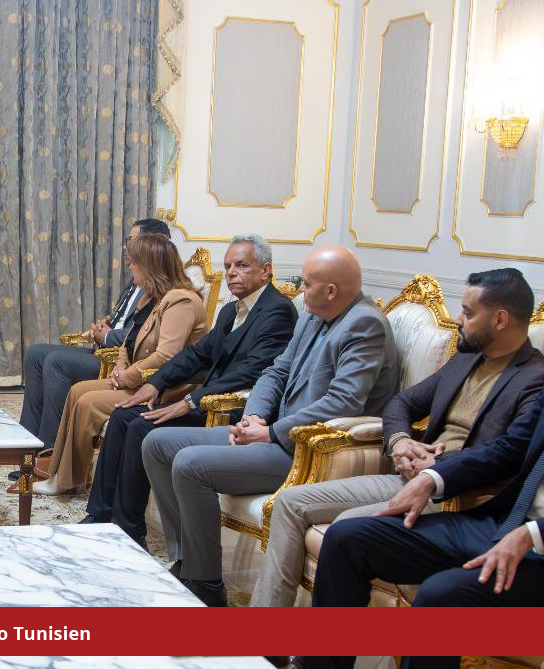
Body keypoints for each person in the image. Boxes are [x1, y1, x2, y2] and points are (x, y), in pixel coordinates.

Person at [252, 268, 544, 608]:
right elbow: (402, 403)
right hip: (408, 474)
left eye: (468, 312)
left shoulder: (534, 378)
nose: (458, 320)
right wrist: (401, 441)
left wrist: (437, 468)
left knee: (348, 528)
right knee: (290, 502)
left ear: (500, 320)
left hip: (456, 492)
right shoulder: (467, 358)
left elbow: (507, 454)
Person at [142, 245, 400, 606]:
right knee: (157, 443)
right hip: (270, 432)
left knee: (190, 464)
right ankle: (187, 559)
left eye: (305, 283)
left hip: (308, 452)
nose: (298, 288)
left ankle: (205, 584)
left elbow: (342, 403)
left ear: (331, 291)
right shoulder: (312, 315)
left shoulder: (365, 325)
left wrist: (270, 433)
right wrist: (255, 416)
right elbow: (275, 371)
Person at [83, 234, 298, 546]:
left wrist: (191, 399)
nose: (231, 273)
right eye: (228, 266)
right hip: (205, 400)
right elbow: (196, 355)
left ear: (265, 271)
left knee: (141, 426)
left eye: (241, 265)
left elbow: (252, 372)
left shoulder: (278, 311)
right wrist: (156, 382)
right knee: (123, 416)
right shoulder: (230, 311)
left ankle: (129, 531)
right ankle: (101, 515)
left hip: (234, 410)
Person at [309, 391, 544, 669]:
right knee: (347, 538)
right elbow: (509, 448)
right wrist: (432, 478)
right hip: (506, 525)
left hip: (534, 547)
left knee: (440, 595)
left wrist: (532, 534)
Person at [34, 233, 209, 495]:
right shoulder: (152, 297)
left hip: (166, 388)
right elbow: (128, 342)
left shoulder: (181, 301)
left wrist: (127, 377)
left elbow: (166, 356)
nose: (130, 266)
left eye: (134, 261)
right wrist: (119, 367)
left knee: (88, 403)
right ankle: (61, 473)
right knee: (77, 391)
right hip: (140, 379)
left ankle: (67, 481)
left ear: (149, 265)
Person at [19, 218, 171, 448]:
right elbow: (122, 320)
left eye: (131, 240)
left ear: (151, 244)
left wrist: (108, 336)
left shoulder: (159, 286)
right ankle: (27, 443)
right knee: (35, 353)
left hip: (118, 360)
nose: (126, 246)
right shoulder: (135, 281)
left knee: (56, 362)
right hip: (103, 350)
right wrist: (102, 327)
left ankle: (49, 450)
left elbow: (143, 334)